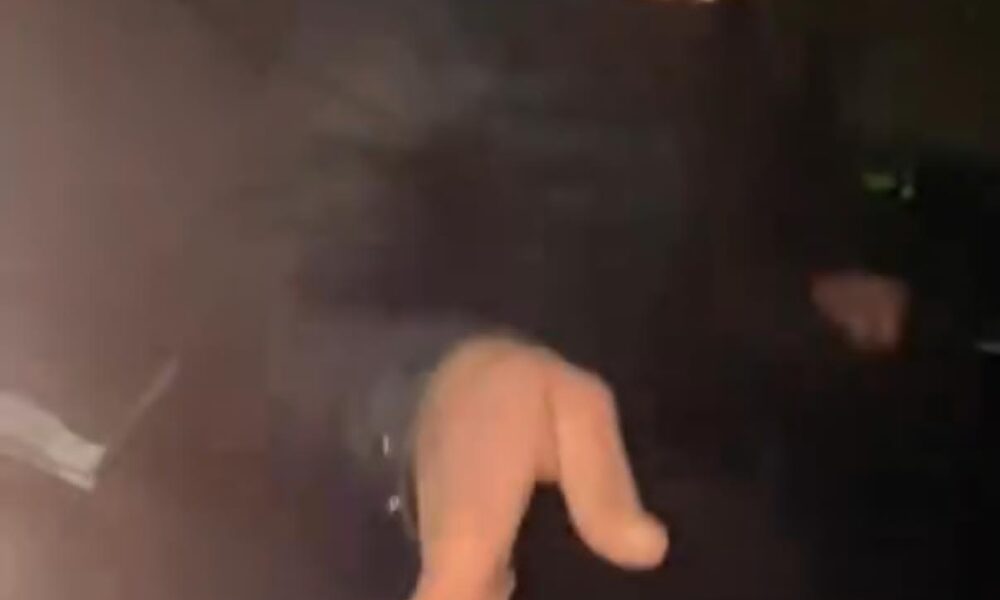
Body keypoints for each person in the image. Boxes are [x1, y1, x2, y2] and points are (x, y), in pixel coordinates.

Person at [268, 1, 912, 598]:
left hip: (699, 478)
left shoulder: (740, 42)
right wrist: (425, 393)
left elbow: (708, 260)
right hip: (422, 532)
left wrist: (807, 288)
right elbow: (259, 311)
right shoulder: (413, 28)